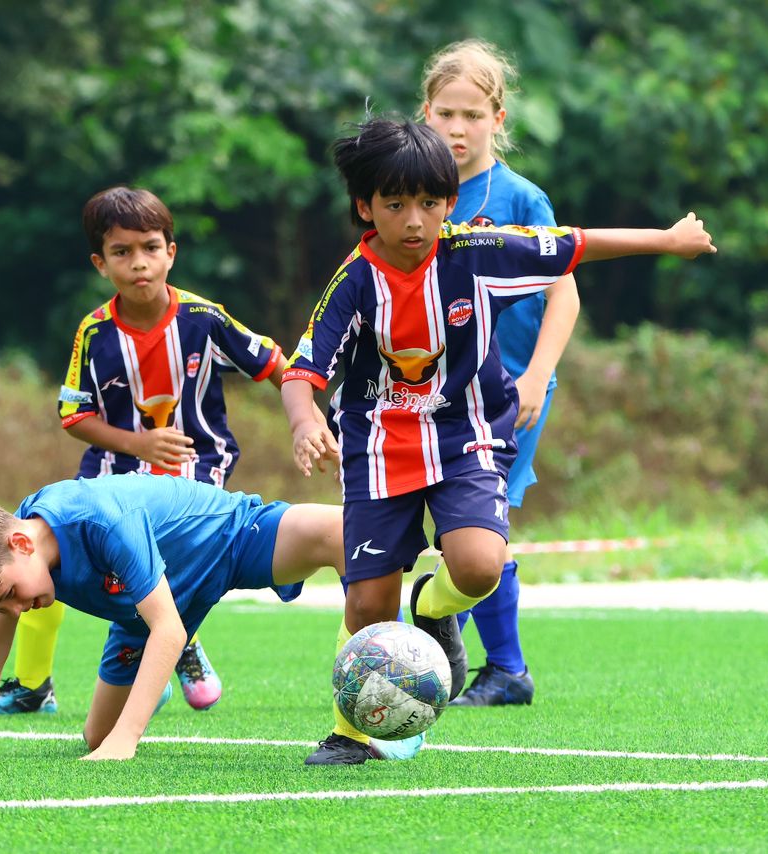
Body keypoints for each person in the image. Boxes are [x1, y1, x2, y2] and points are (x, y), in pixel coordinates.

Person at [281, 116, 715, 764]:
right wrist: (306, 419)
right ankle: (350, 732)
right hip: (378, 446)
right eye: (395, 205)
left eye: (430, 203)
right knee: (369, 603)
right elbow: (304, 367)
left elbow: (571, 245)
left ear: (450, 203)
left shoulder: (475, 253)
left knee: (480, 566)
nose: (415, 220)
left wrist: (668, 240)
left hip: (467, 435)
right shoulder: (356, 279)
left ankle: (433, 604)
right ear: (365, 207)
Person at [0, 186, 294, 717]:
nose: (139, 263)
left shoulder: (204, 318)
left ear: (171, 253)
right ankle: (37, 681)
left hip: (195, 470)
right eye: (122, 252)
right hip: (114, 471)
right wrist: (137, 442)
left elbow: (273, 363)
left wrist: (306, 418)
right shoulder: (94, 332)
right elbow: (73, 414)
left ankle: (175, 641)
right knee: (45, 560)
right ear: (99, 263)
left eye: (151, 248)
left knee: (168, 567)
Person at [0, 474, 344, 761]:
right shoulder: (19, 553)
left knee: (342, 533)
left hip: (229, 542)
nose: (14, 609)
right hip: (143, 616)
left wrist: (128, 739)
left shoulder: (100, 522)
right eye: (1, 605)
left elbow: (170, 629)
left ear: (21, 543)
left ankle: (386, 699)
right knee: (96, 739)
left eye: (9, 595)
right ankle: (151, 685)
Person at [421, 39, 576, 706]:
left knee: (485, 523)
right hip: (430, 394)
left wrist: (538, 376)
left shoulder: (519, 198)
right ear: (425, 113)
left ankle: (505, 667)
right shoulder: (412, 193)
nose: (458, 129)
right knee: (446, 529)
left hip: (508, 392)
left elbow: (564, 291)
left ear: (498, 118)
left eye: (472, 116)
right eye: (445, 114)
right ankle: (443, 632)